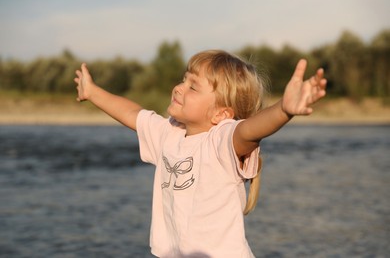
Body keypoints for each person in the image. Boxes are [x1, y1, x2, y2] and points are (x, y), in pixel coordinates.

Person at [74, 50, 326, 257]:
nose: (178, 88)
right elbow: (133, 114)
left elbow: (250, 130)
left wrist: (284, 110)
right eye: (184, 79)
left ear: (221, 114)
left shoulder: (221, 141)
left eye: (193, 87)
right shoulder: (169, 133)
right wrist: (92, 92)